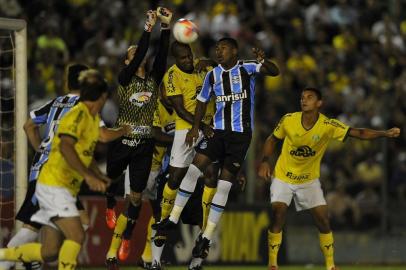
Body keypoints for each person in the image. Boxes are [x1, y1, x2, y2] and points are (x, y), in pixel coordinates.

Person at [155, 37, 279, 265]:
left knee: (223, 185)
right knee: (193, 170)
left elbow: (274, 72)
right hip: (218, 132)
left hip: (241, 136)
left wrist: (265, 61)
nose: (218, 51)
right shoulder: (213, 75)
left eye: (222, 48)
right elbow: (202, 101)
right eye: (217, 49)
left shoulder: (247, 67)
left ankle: (206, 238)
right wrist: (195, 127)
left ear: (234, 50)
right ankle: (171, 220)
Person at [0, 64, 129, 270]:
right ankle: (6, 263)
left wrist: (41, 152)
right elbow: (93, 139)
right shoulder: (84, 110)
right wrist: (125, 129)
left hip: (56, 173)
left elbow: (29, 126)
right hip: (54, 174)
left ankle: (29, 258)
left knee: (67, 234)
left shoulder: (57, 102)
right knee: (37, 227)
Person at [257, 87, 401, 270]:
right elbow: (271, 139)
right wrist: (264, 161)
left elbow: (358, 133)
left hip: (308, 180)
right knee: (279, 212)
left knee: (323, 220)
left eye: (309, 97)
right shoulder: (288, 119)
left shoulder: (328, 125)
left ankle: (331, 265)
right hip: (283, 175)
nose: (304, 100)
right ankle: (273, 263)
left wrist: (384, 134)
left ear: (319, 103)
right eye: (302, 97)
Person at [104, 7, 172, 266]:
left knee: (135, 198)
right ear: (126, 61)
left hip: (144, 146)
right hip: (122, 140)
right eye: (131, 53)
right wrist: (148, 27)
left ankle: (128, 235)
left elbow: (161, 57)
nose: (137, 54)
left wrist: (165, 28)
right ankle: (109, 204)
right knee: (110, 179)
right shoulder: (124, 79)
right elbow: (142, 53)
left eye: (138, 51)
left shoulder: (153, 82)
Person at [150, 41, 219, 270]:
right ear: (176, 60)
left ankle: (199, 251)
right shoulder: (172, 76)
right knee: (175, 178)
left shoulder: (203, 68)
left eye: (189, 56)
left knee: (211, 175)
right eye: (183, 59)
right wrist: (199, 127)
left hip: (208, 128)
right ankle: (162, 229)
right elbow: (179, 109)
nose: (187, 61)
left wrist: (212, 62)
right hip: (186, 128)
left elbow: (221, 76)